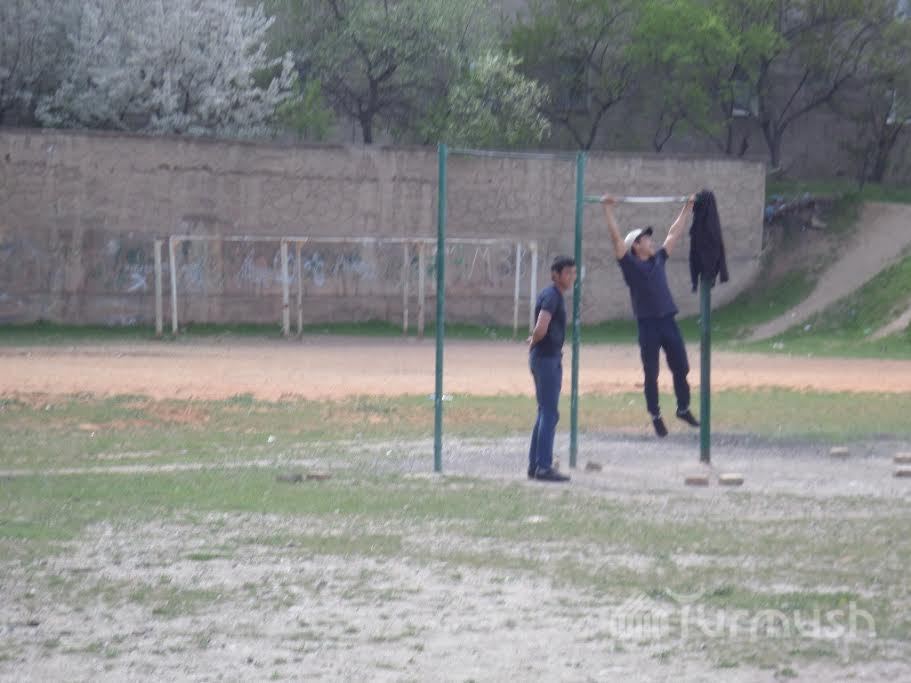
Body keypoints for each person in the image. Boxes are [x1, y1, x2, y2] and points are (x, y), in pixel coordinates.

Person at [600, 195, 700, 437]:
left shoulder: (659, 259)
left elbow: (673, 234)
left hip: (668, 321)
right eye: (646, 239)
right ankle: (655, 415)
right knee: (651, 373)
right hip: (647, 326)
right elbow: (616, 240)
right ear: (636, 246)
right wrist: (608, 209)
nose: (651, 241)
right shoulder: (629, 265)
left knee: (681, 366)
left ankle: (683, 408)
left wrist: (687, 208)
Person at [526, 256, 576, 482]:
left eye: (573, 273)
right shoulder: (552, 296)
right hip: (546, 359)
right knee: (549, 413)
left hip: (547, 358)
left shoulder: (554, 295)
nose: (571, 277)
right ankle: (543, 467)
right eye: (567, 273)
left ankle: (535, 465)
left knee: (544, 412)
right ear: (555, 275)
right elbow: (541, 327)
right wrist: (534, 342)